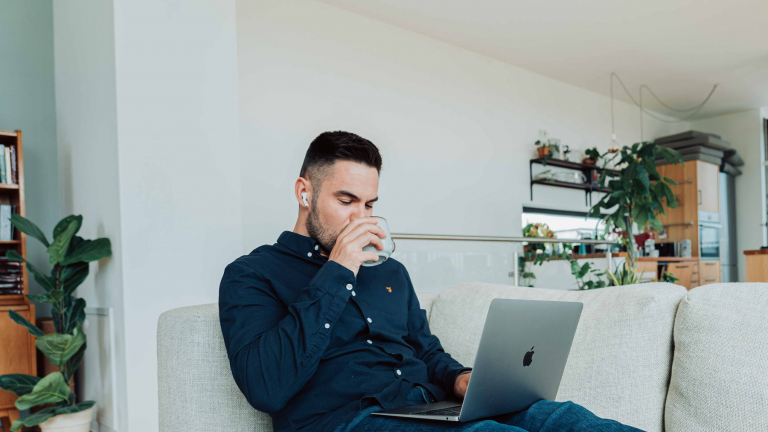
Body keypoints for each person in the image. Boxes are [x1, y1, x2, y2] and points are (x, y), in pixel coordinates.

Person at [218, 131, 643, 432]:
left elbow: (424, 350)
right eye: (346, 201)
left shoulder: (389, 273)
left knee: (562, 419)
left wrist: (460, 379)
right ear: (304, 192)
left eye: (369, 204)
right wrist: (338, 269)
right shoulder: (252, 274)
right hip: (345, 421)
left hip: (427, 408)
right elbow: (266, 387)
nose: (361, 218)